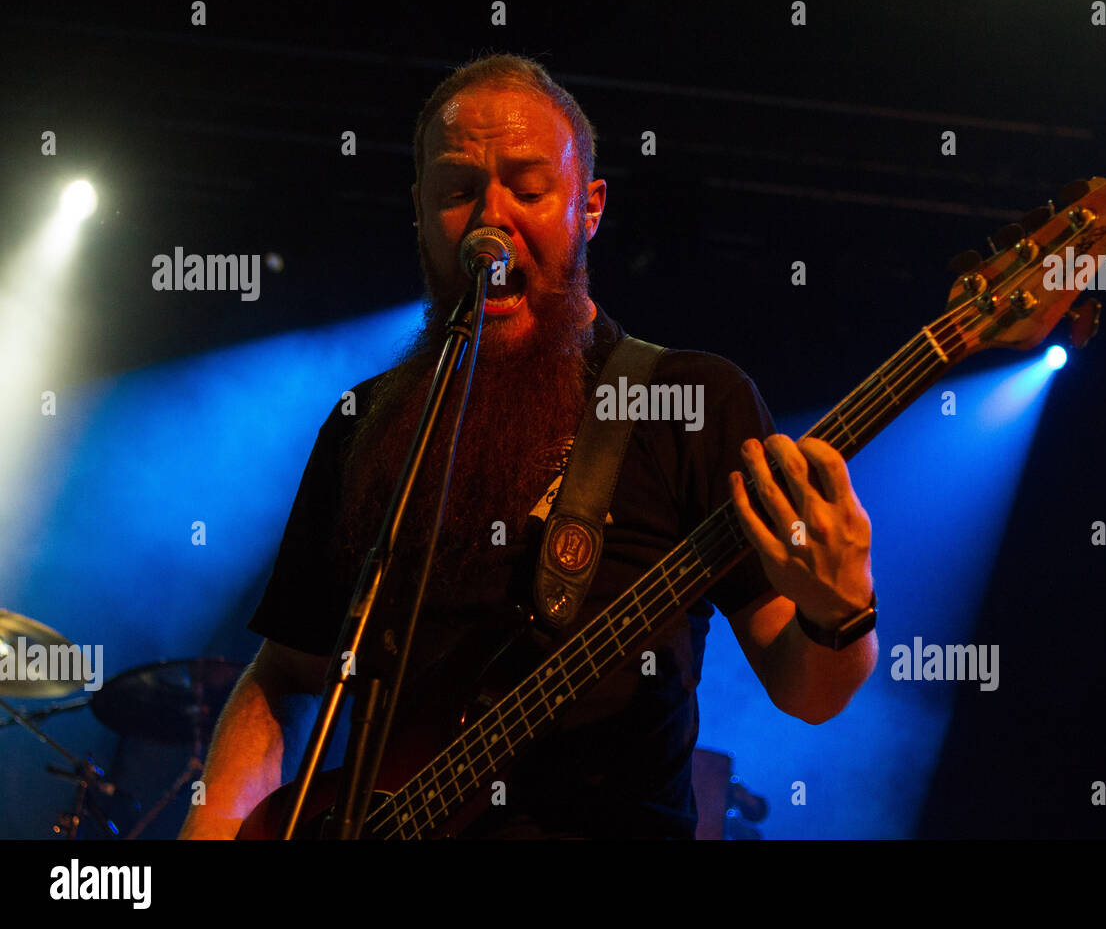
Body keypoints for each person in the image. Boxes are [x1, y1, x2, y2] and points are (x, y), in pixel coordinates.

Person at [178, 53, 878, 840]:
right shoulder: (365, 420)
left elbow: (808, 691)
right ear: (420, 211)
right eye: (456, 191)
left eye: (531, 187)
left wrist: (840, 609)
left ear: (589, 207)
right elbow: (284, 674)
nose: (490, 217)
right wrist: (212, 828)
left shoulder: (694, 400)